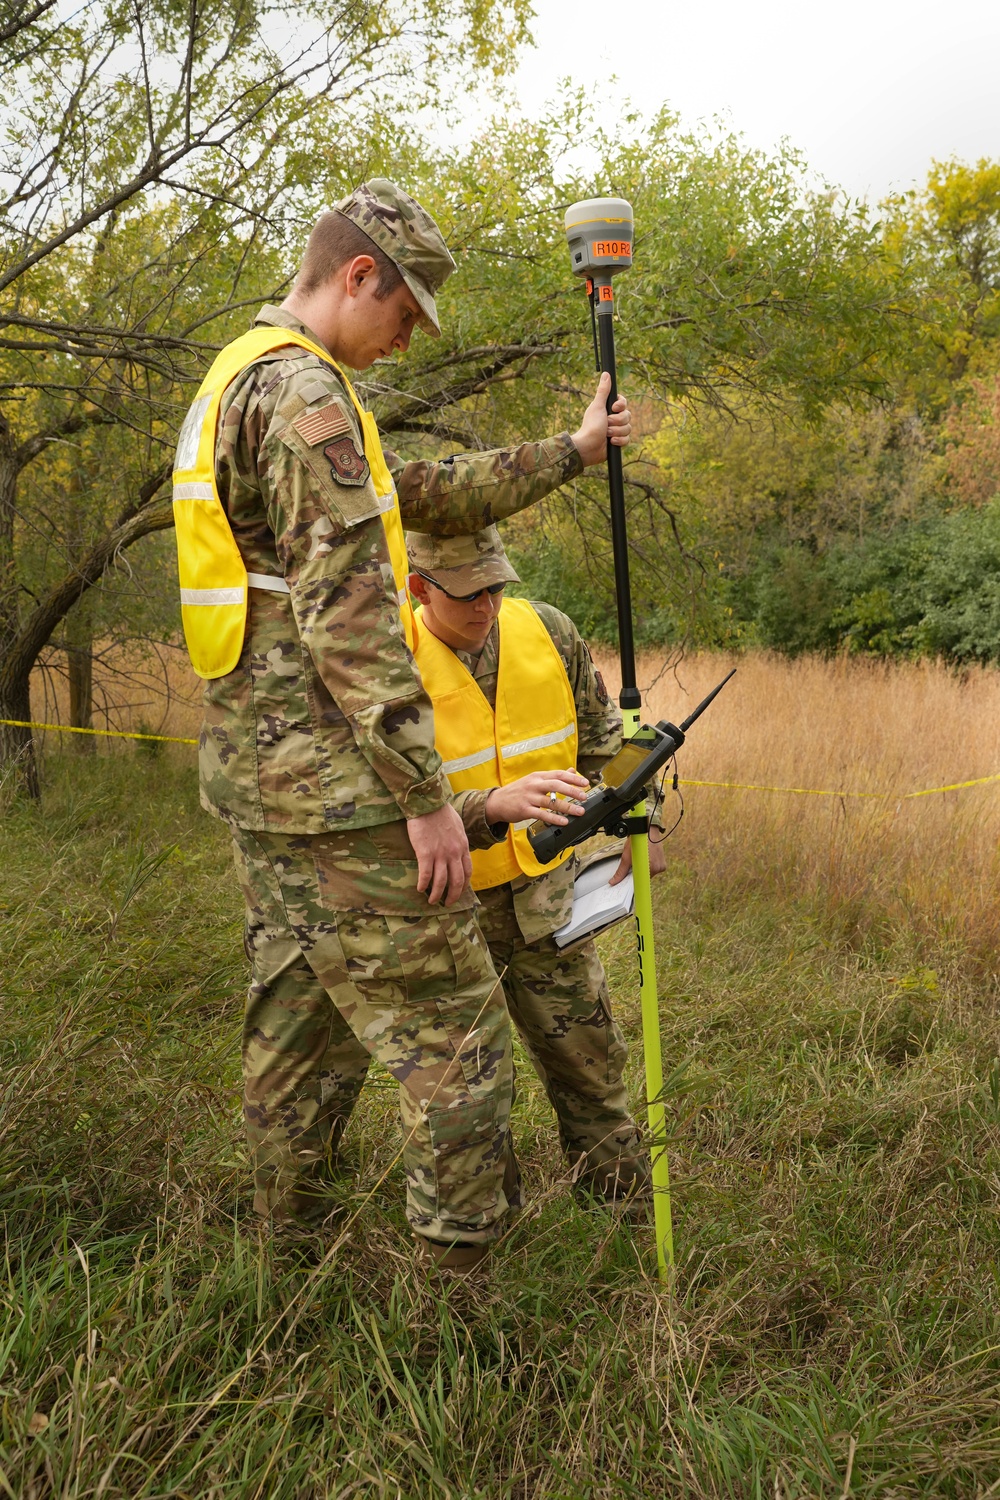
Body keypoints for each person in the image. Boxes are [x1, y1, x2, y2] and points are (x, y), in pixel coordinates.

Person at [170, 178, 632, 1271]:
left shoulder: (241, 378)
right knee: (461, 1049)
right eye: (403, 315)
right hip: (341, 795)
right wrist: (429, 804)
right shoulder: (306, 399)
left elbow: (412, 489)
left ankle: (288, 1271)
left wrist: (569, 452)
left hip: (264, 790)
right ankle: (458, 1321)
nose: (405, 341)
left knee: (298, 1034)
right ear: (357, 275)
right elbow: (351, 622)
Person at [405, 525, 667, 1207]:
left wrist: (643, 819)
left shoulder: (548, 630)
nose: (485, 605)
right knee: (467, 1100)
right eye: (466, 593)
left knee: (593, 1073)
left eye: (495, 587)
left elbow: (607, 739)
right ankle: (492, 1249)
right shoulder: (383, 663)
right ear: (418, 588)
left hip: (548, 909)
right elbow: (372, 807)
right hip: (446, 918)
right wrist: (486, 806)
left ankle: (623, 1223)